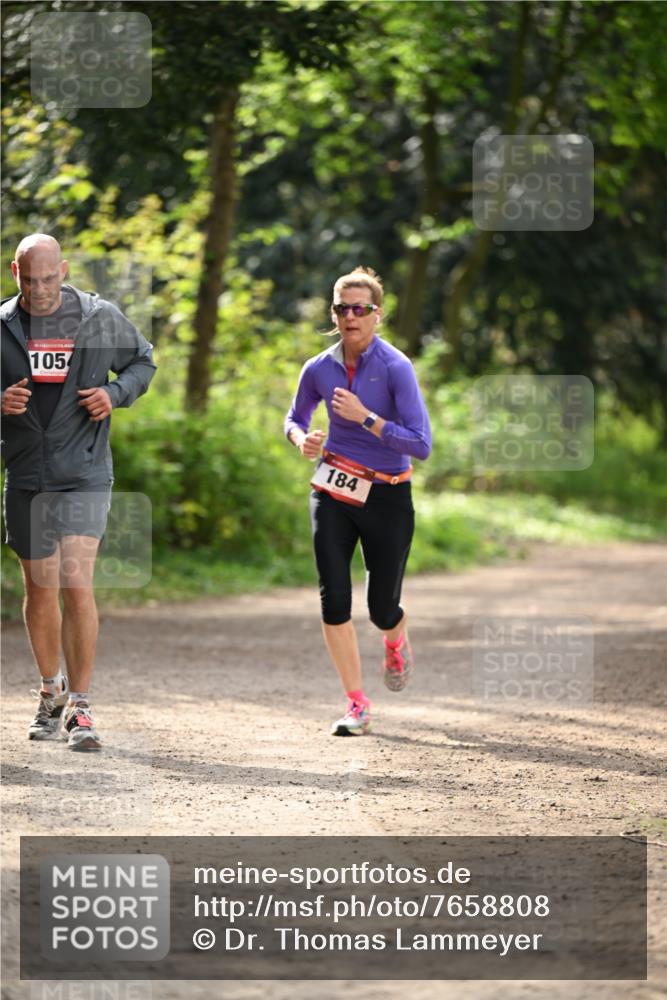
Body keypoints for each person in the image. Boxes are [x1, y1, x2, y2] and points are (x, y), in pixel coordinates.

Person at [1, 234, 156, 750]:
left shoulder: (97, 317)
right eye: (29, 279)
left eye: (49, 278)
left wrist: (114, 393)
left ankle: (82, 707)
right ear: (13, 272)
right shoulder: (3, 326)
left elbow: (143, 362)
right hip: (26, 473)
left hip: (84, 470)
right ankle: (51, 692)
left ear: (63, 270)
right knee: (40, 588)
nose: (40, 289)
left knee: (75, 581)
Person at [285, 266, 431, 735]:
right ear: (333, 314)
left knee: (382, 608)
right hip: (332, 489)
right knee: (334, 600)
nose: (350, 316)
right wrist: (301, 439)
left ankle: (395, 635)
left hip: (388, 494)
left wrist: (366, 418)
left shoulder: (396, 368)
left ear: (376, 315)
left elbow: (422, 443)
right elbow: (293, 419)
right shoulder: (319, 368)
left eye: (359, 309)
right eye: (341, 308)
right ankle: (357, 704)